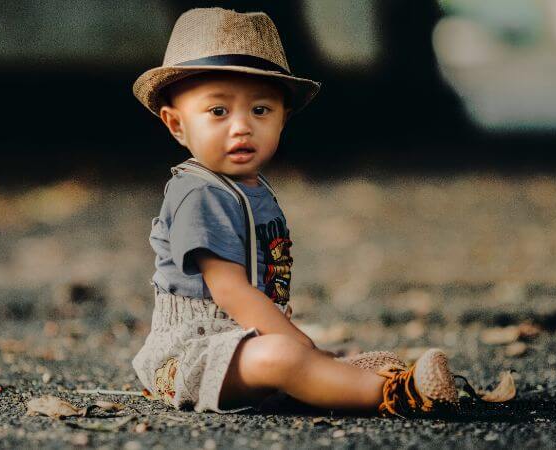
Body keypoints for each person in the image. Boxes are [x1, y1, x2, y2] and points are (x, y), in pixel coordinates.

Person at [130, 7, 458, 416]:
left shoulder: (252, 190)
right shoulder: (198, 194)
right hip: (190, 357)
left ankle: (339, 374)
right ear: (176, 125)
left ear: (283, 119)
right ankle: (395, 394)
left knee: (295, 353)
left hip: (243, 340)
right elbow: (229, 290)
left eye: (261, 110)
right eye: (218, 111)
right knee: (283, 356)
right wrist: (295, 342)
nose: (241, 127)